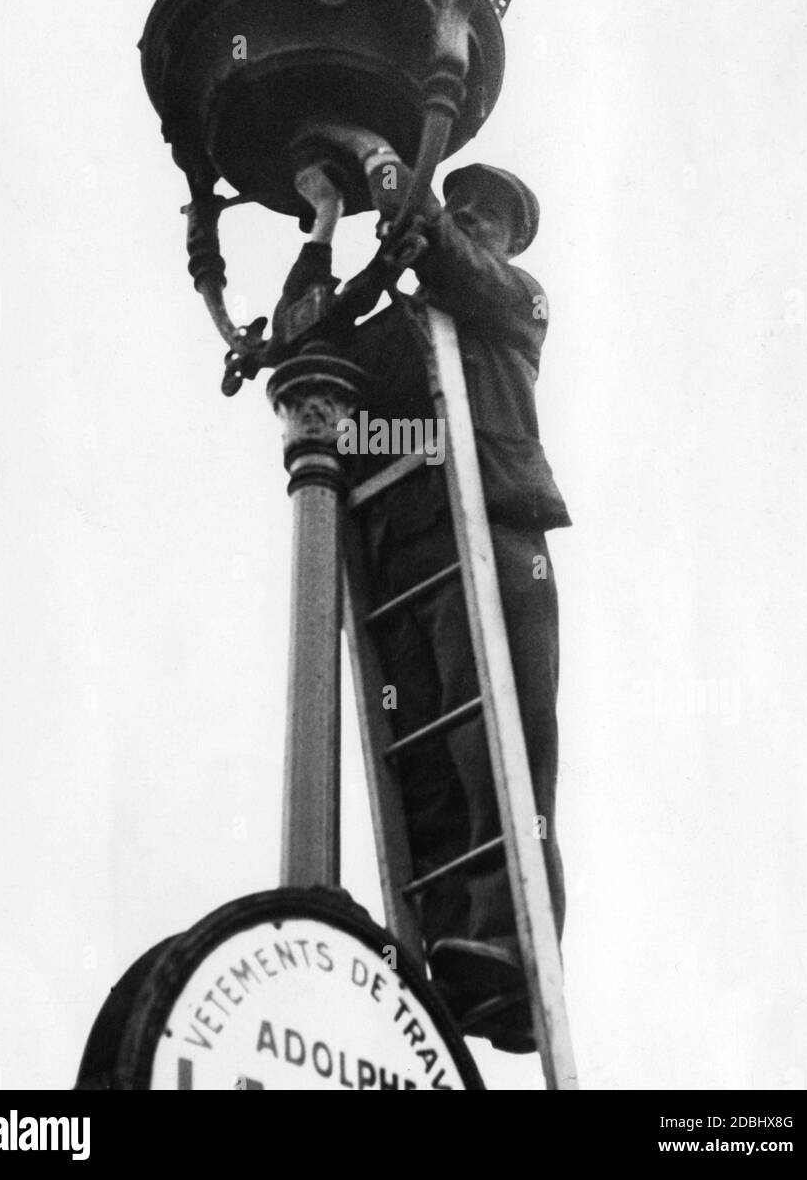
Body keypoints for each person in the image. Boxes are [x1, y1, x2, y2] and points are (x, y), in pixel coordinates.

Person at [272, 130, 571, 1053]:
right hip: (407, 554)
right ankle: (452, 956)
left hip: (496, 534)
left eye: (494, 217)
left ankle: (514, 956)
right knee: (424, 769)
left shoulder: (514, 301)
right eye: (466, 202)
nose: (473, 220)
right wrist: (322, 224)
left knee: (500, 746)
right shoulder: (406, 327)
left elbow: (440, 245)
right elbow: (301, 347)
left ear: (511, 241)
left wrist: (376, 151)